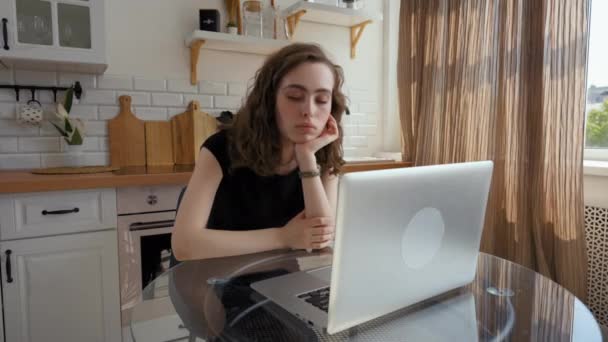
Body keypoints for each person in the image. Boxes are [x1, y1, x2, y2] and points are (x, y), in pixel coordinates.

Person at [172, 43, 347, 261]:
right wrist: (283, 237)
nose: (309, 111)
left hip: (277, 276)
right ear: (269, 99)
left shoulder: (322, 154)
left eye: (321, 100)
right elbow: (184, 246)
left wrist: (306, 158)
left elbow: (321, 238)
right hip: (213, 277)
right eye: (294, 96)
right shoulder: (220, 148)